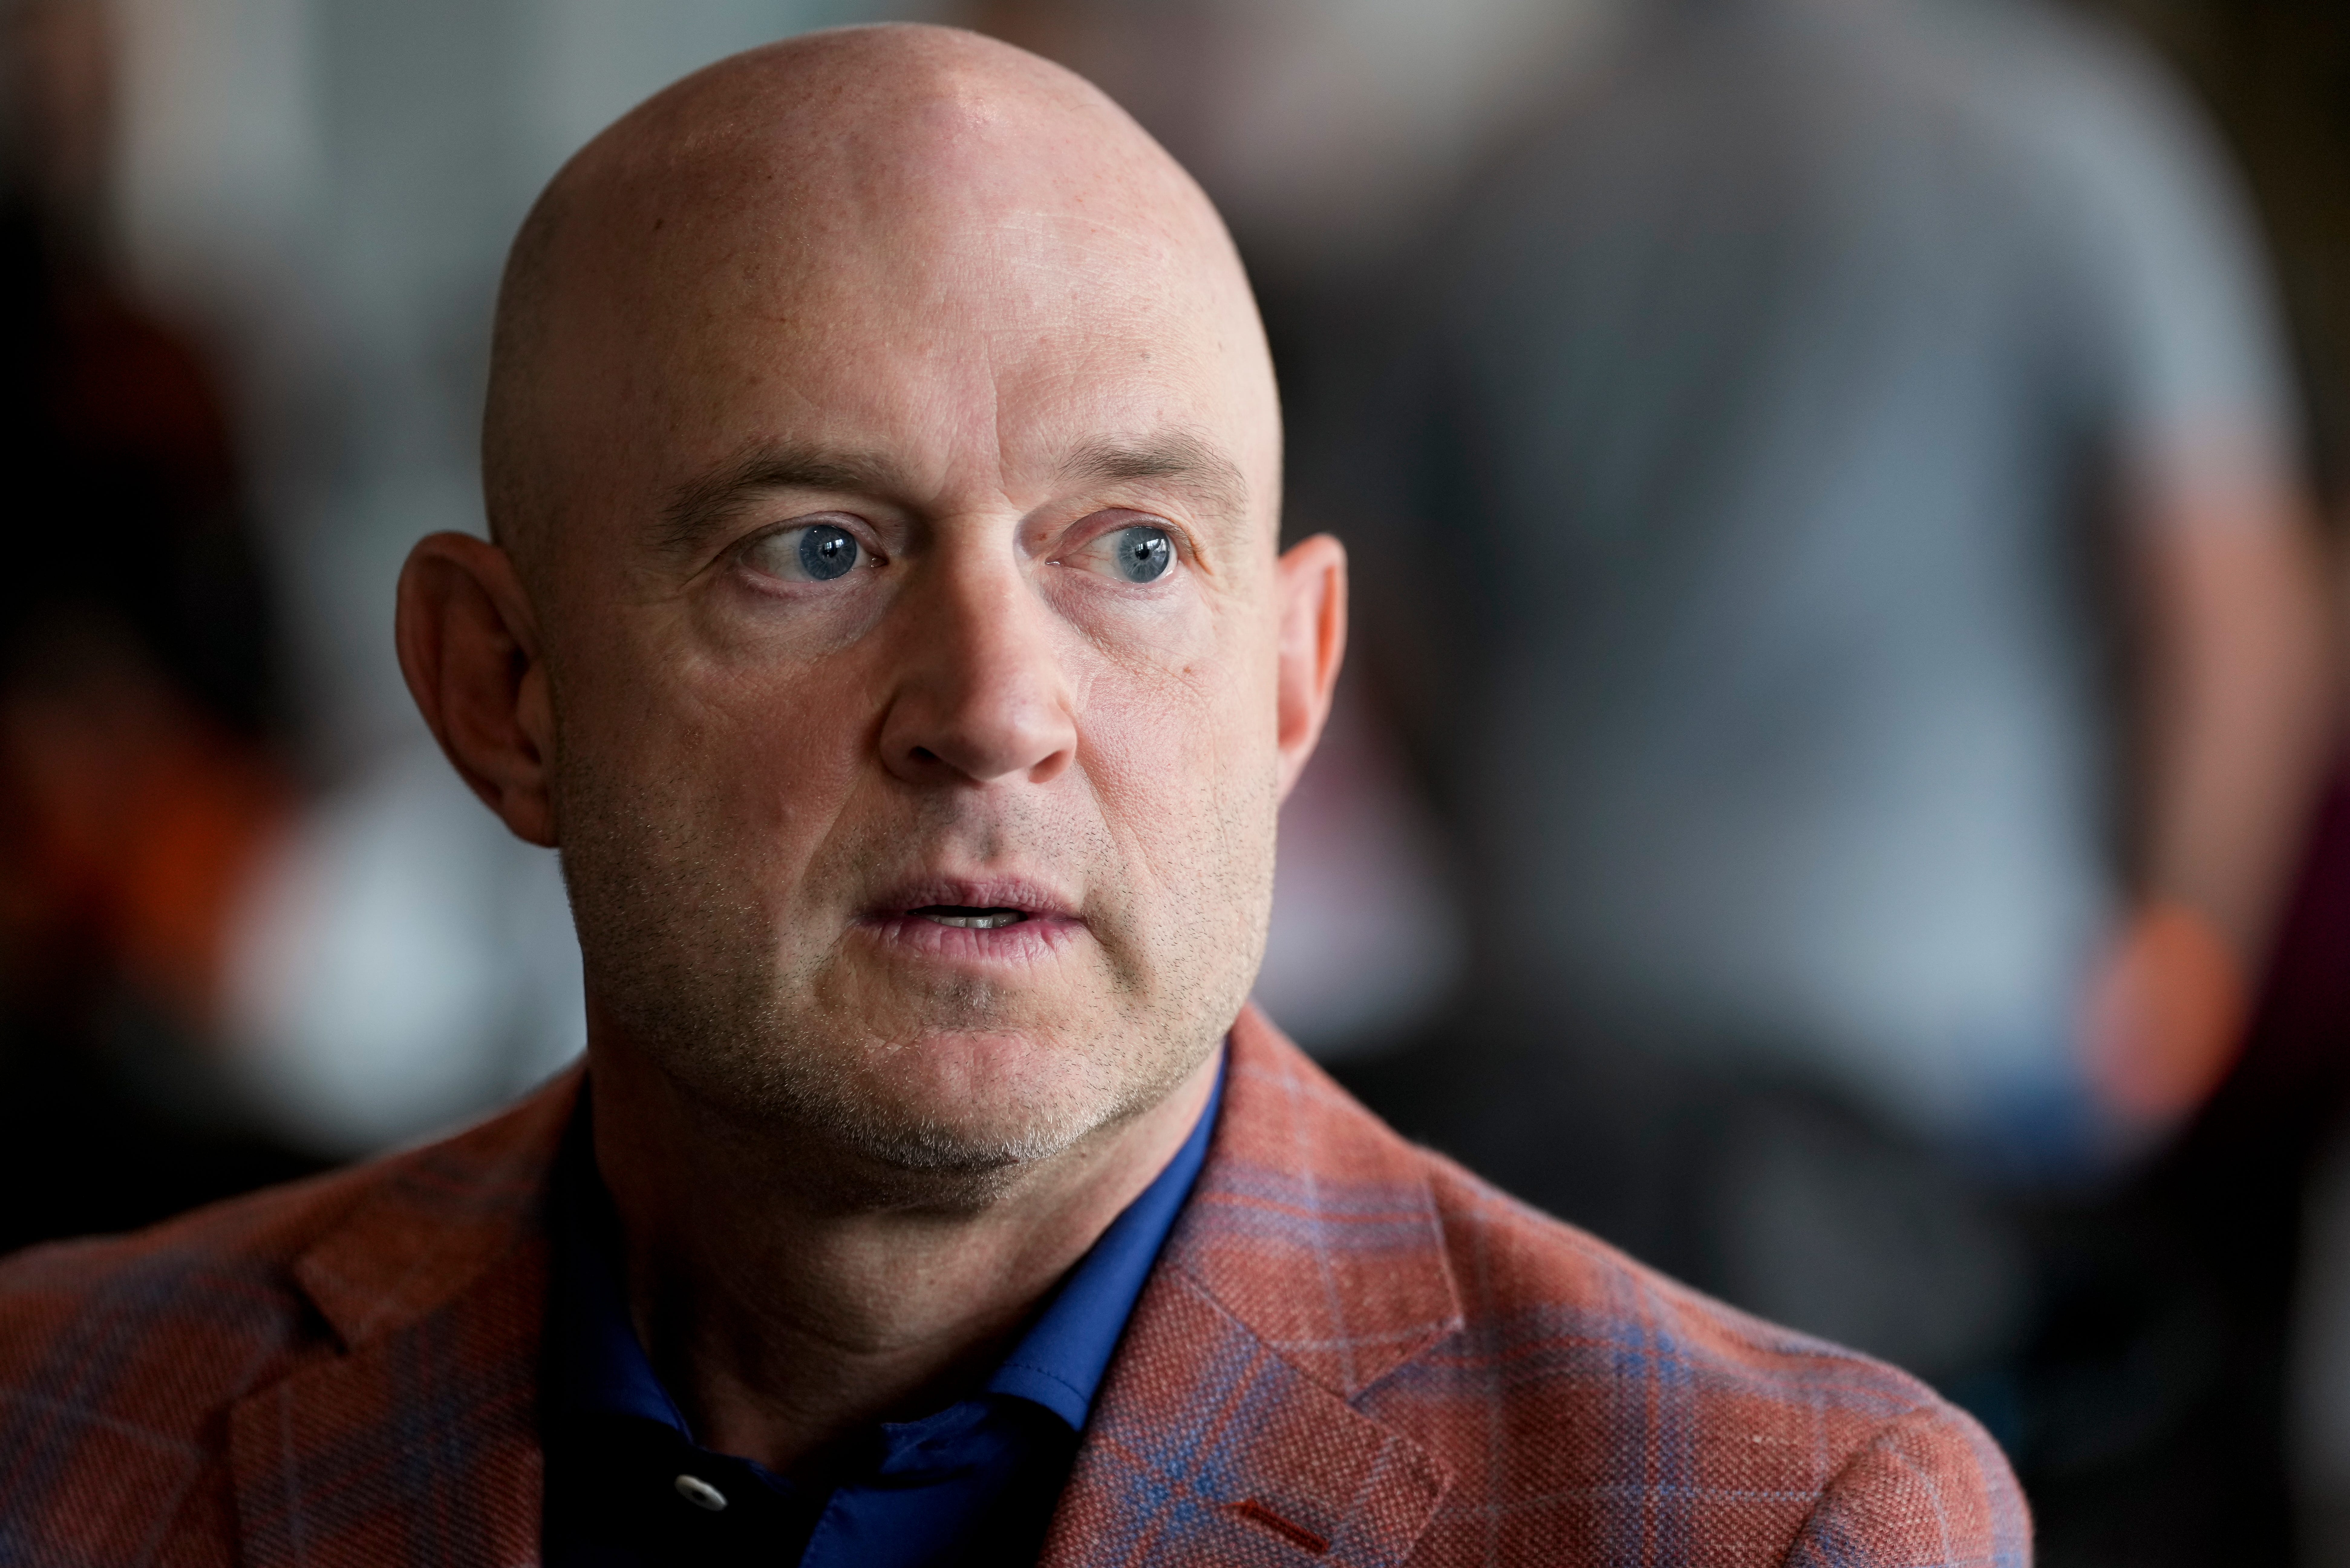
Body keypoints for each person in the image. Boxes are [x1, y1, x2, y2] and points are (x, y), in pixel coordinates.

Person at [0, 26, 2027, 1566]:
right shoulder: (51, 1424)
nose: (991, 708)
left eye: (1133, 552)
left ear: (1287, 686)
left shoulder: (1776, 1531)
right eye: (812, 547)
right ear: (501, 692)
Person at [1336, 0, 2332, 1404]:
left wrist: (1499, 842)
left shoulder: (1499, 173)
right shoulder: (2064, 140)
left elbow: (1373, 610)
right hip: (1944, 1065)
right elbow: (2224, 599)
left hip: (1547, 1043)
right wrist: (2186, 953)